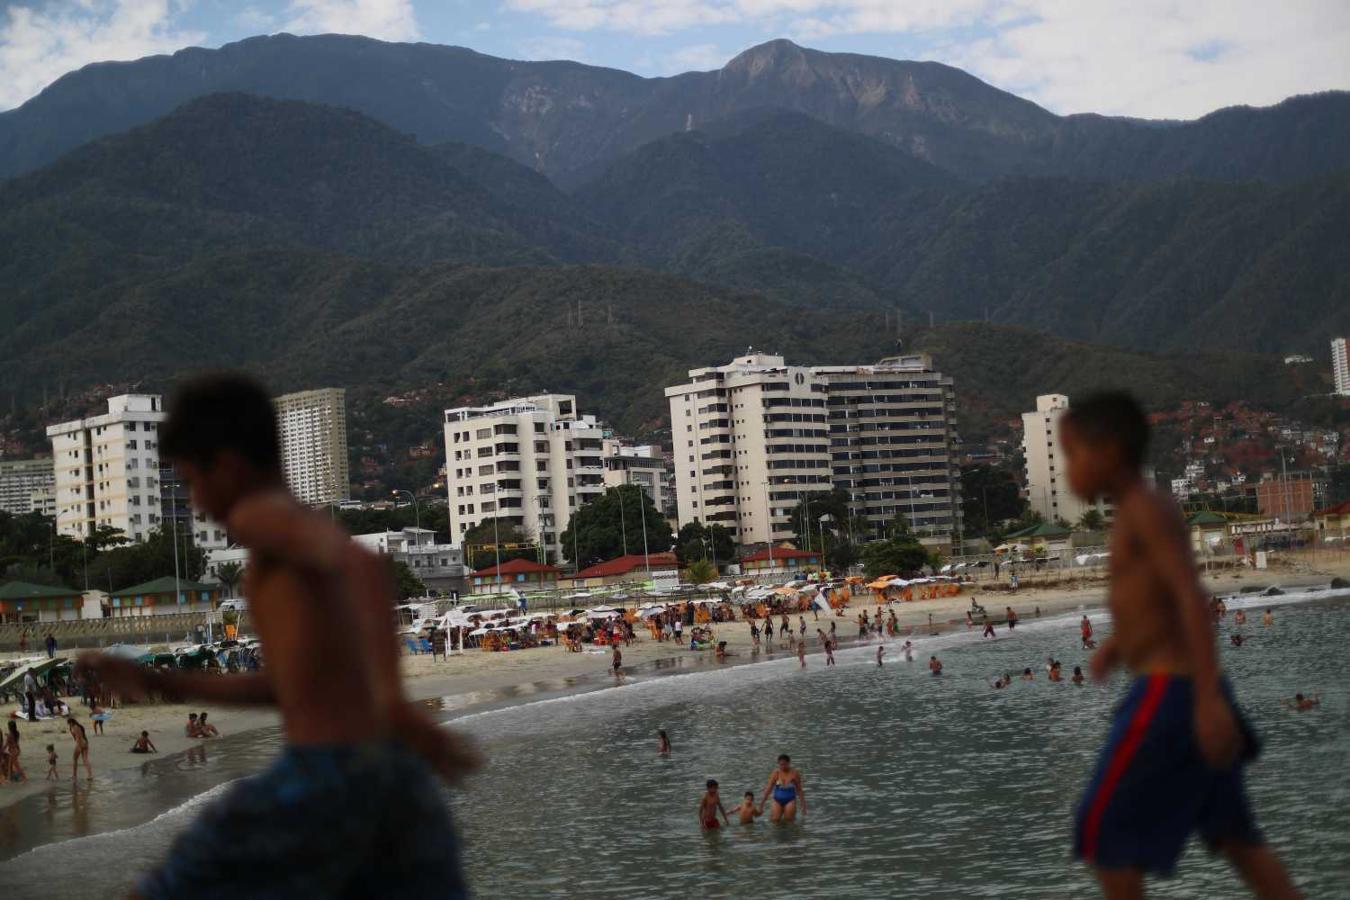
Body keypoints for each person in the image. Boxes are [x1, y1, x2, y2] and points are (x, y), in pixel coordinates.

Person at [74, 374, 474, 897]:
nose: (196, 502)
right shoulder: (294, 549)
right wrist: (159, 682)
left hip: (323, 785)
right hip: (397, 786)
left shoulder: (262, 524)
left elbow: (354, 565)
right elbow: (290, 684)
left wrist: (391, 702)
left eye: (193, 480)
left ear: (228, 466)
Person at [1059, 391, 1296, 899]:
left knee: (1102, 830)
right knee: (1238, 840)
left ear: (1111, 451)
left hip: (1174, 695)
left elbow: (1190, 595)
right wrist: (1116, 646)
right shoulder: (1136, 513)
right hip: (1192, 693)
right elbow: (1157, 601)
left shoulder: (1145, 509)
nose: (1068, 469)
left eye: (1073, 454)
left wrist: (1206, 698)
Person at [761, 754, 805, 824]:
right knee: (775, 820)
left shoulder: (794, 773)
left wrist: (803, 806)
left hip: (790, 800)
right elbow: (768, 789)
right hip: (777, 800)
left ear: (788, 763)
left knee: (789, 821)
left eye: (784, 764)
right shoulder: (776, 773)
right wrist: (762, 804)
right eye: (781, 765)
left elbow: (799, 790)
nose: (782, 767)